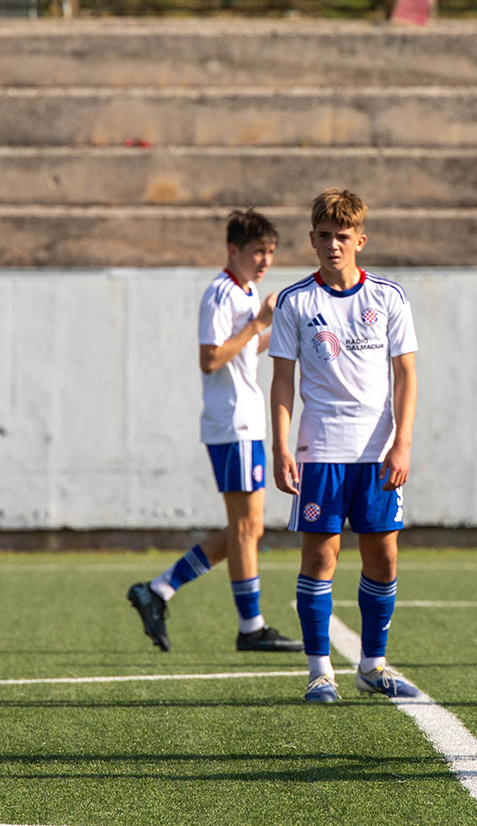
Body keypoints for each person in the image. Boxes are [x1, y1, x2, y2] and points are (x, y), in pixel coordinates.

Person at [126, 209, 302, 654]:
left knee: (249, 528)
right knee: (245, 528)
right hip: (232, 422)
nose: (265, 260)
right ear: (233, 251)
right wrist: (257, 325)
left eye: (270, 252)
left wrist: (273, 329)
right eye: (257, 251)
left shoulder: (247, 290)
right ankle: (250, 627)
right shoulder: (220, 293)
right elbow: (210, 358)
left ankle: (159, 590)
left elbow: (245, 348)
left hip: (245, 422)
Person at [270, 188, 420, 704]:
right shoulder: (294, 302)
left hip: (378, 454)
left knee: (383, 558)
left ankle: (372, 665)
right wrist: (281, 448)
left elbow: (406, 375)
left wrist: (402, 443)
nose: (334, 245)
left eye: (343, 236)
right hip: (321, 451)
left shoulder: (388, 297)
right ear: (312, 239)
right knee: (321, 558)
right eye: (325, 236)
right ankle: (319, 672)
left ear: (361, 239)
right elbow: (283, 383)